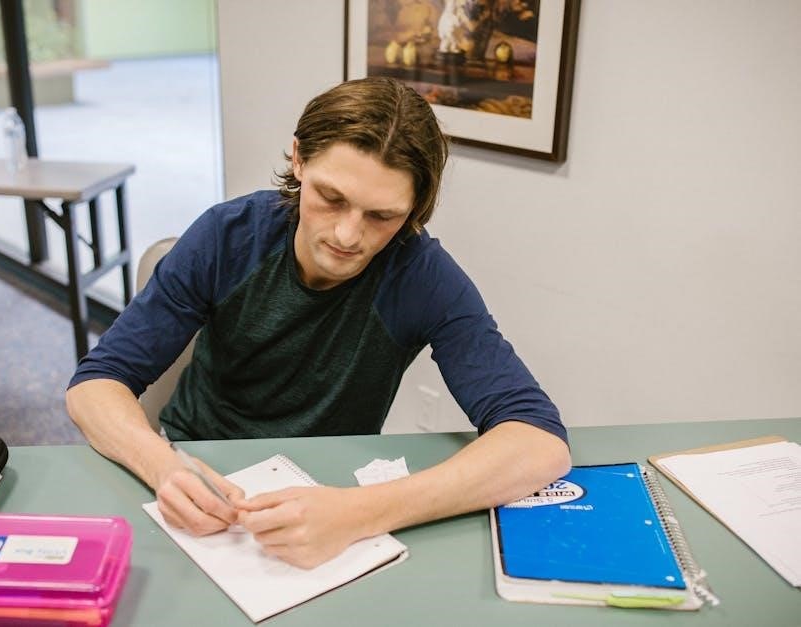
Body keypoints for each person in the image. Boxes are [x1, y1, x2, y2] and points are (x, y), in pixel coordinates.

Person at [67, 76, 570, 569]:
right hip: (201, 468)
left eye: (381, 216)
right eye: (332, 198)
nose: (348, 235)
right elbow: (95, 384)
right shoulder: (227, 237)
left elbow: (538, 441)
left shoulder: (422, 277)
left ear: (413, 208)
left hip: (330, 490)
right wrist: (163, 467)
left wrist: (360, 512)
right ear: (299, 159)